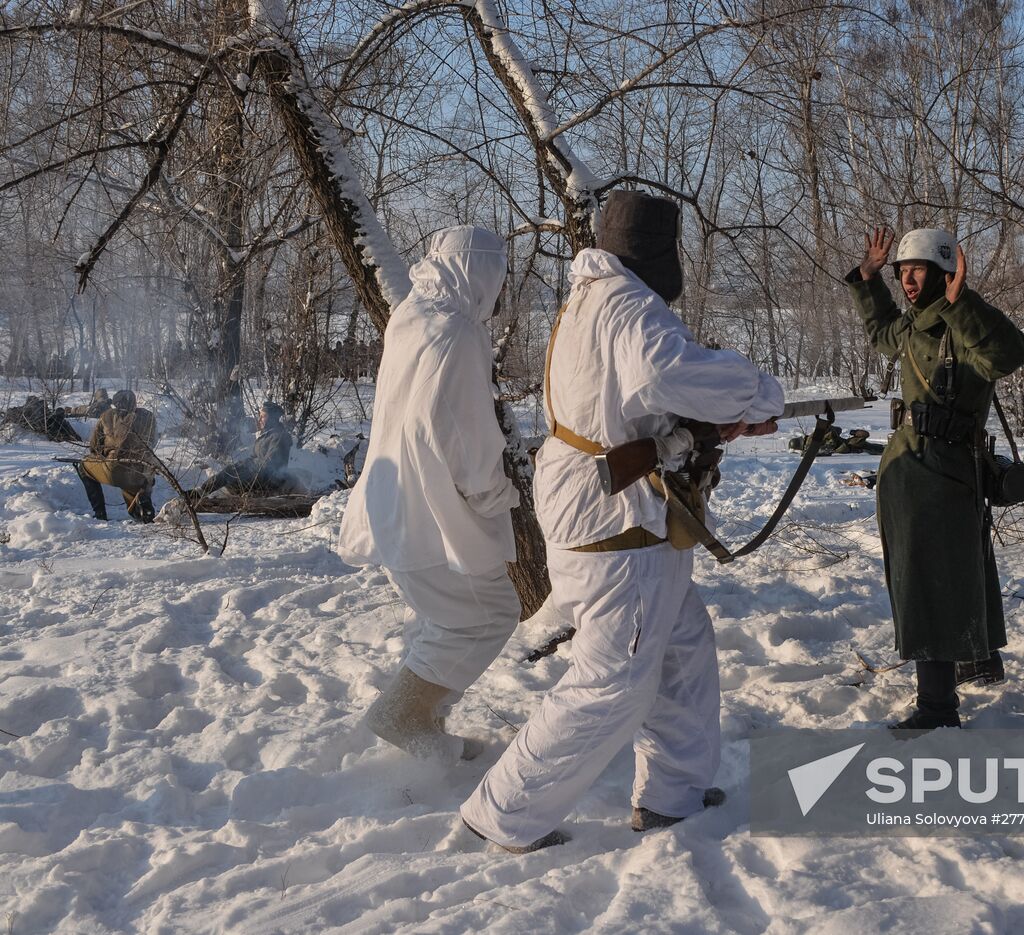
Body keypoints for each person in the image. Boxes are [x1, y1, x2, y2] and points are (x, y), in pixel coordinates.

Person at [459, 191, 783, 853]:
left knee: (681, 643)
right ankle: (505, 812)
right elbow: (668, 369)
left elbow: (629, 396)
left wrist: (687, 428)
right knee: (611, 682)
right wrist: (755, 391)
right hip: (615, 517)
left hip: (608, 503)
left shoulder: (593, 298)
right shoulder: (628, 304)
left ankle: (672, 792)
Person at [337, 226, 523, 761]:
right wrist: (493, 495)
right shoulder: (457, 333)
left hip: (393, 498)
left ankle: (424, 722)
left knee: (453, 618)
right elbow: (462, 432)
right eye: (496, 276)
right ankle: (405, 716)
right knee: (487, 614)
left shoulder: (412, 316)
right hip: (432, 511)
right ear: (482, 274)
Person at [848, 227, 1024, 731]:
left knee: (929, 581)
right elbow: (882, 330)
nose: (907, 280)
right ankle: (978, 658)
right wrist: (867, 279)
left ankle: (937, 707)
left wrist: (963, 302)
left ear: (944, 275)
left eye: (918, 271)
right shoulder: (915, 324)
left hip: (943, 472)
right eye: (902, 272)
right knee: (964, 567)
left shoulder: (959, 324)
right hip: (916, 467)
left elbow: (1009, 355)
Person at [74, 389, 157, 522]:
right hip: (141, 470)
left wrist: (104, 456)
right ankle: (143, 509)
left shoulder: (106, 415)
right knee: (133, 482)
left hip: (114, 467)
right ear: (135, 403)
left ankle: (100, 514)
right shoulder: (149, 416)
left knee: (83, 466)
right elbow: (152, 442)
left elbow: (94, 447)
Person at [188, 400, 293, 503]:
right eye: (260, 416)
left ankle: (201, 492)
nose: (259, 419)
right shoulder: (266, 436)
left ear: (272, 419)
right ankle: (203, 491)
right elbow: (253, 458)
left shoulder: (279, 437)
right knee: (231, 473)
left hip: (270, 480)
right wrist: (241, 466)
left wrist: (247, 468)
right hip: (260, 475)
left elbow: (270, 464)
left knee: (230, 475)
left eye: (263, 416)